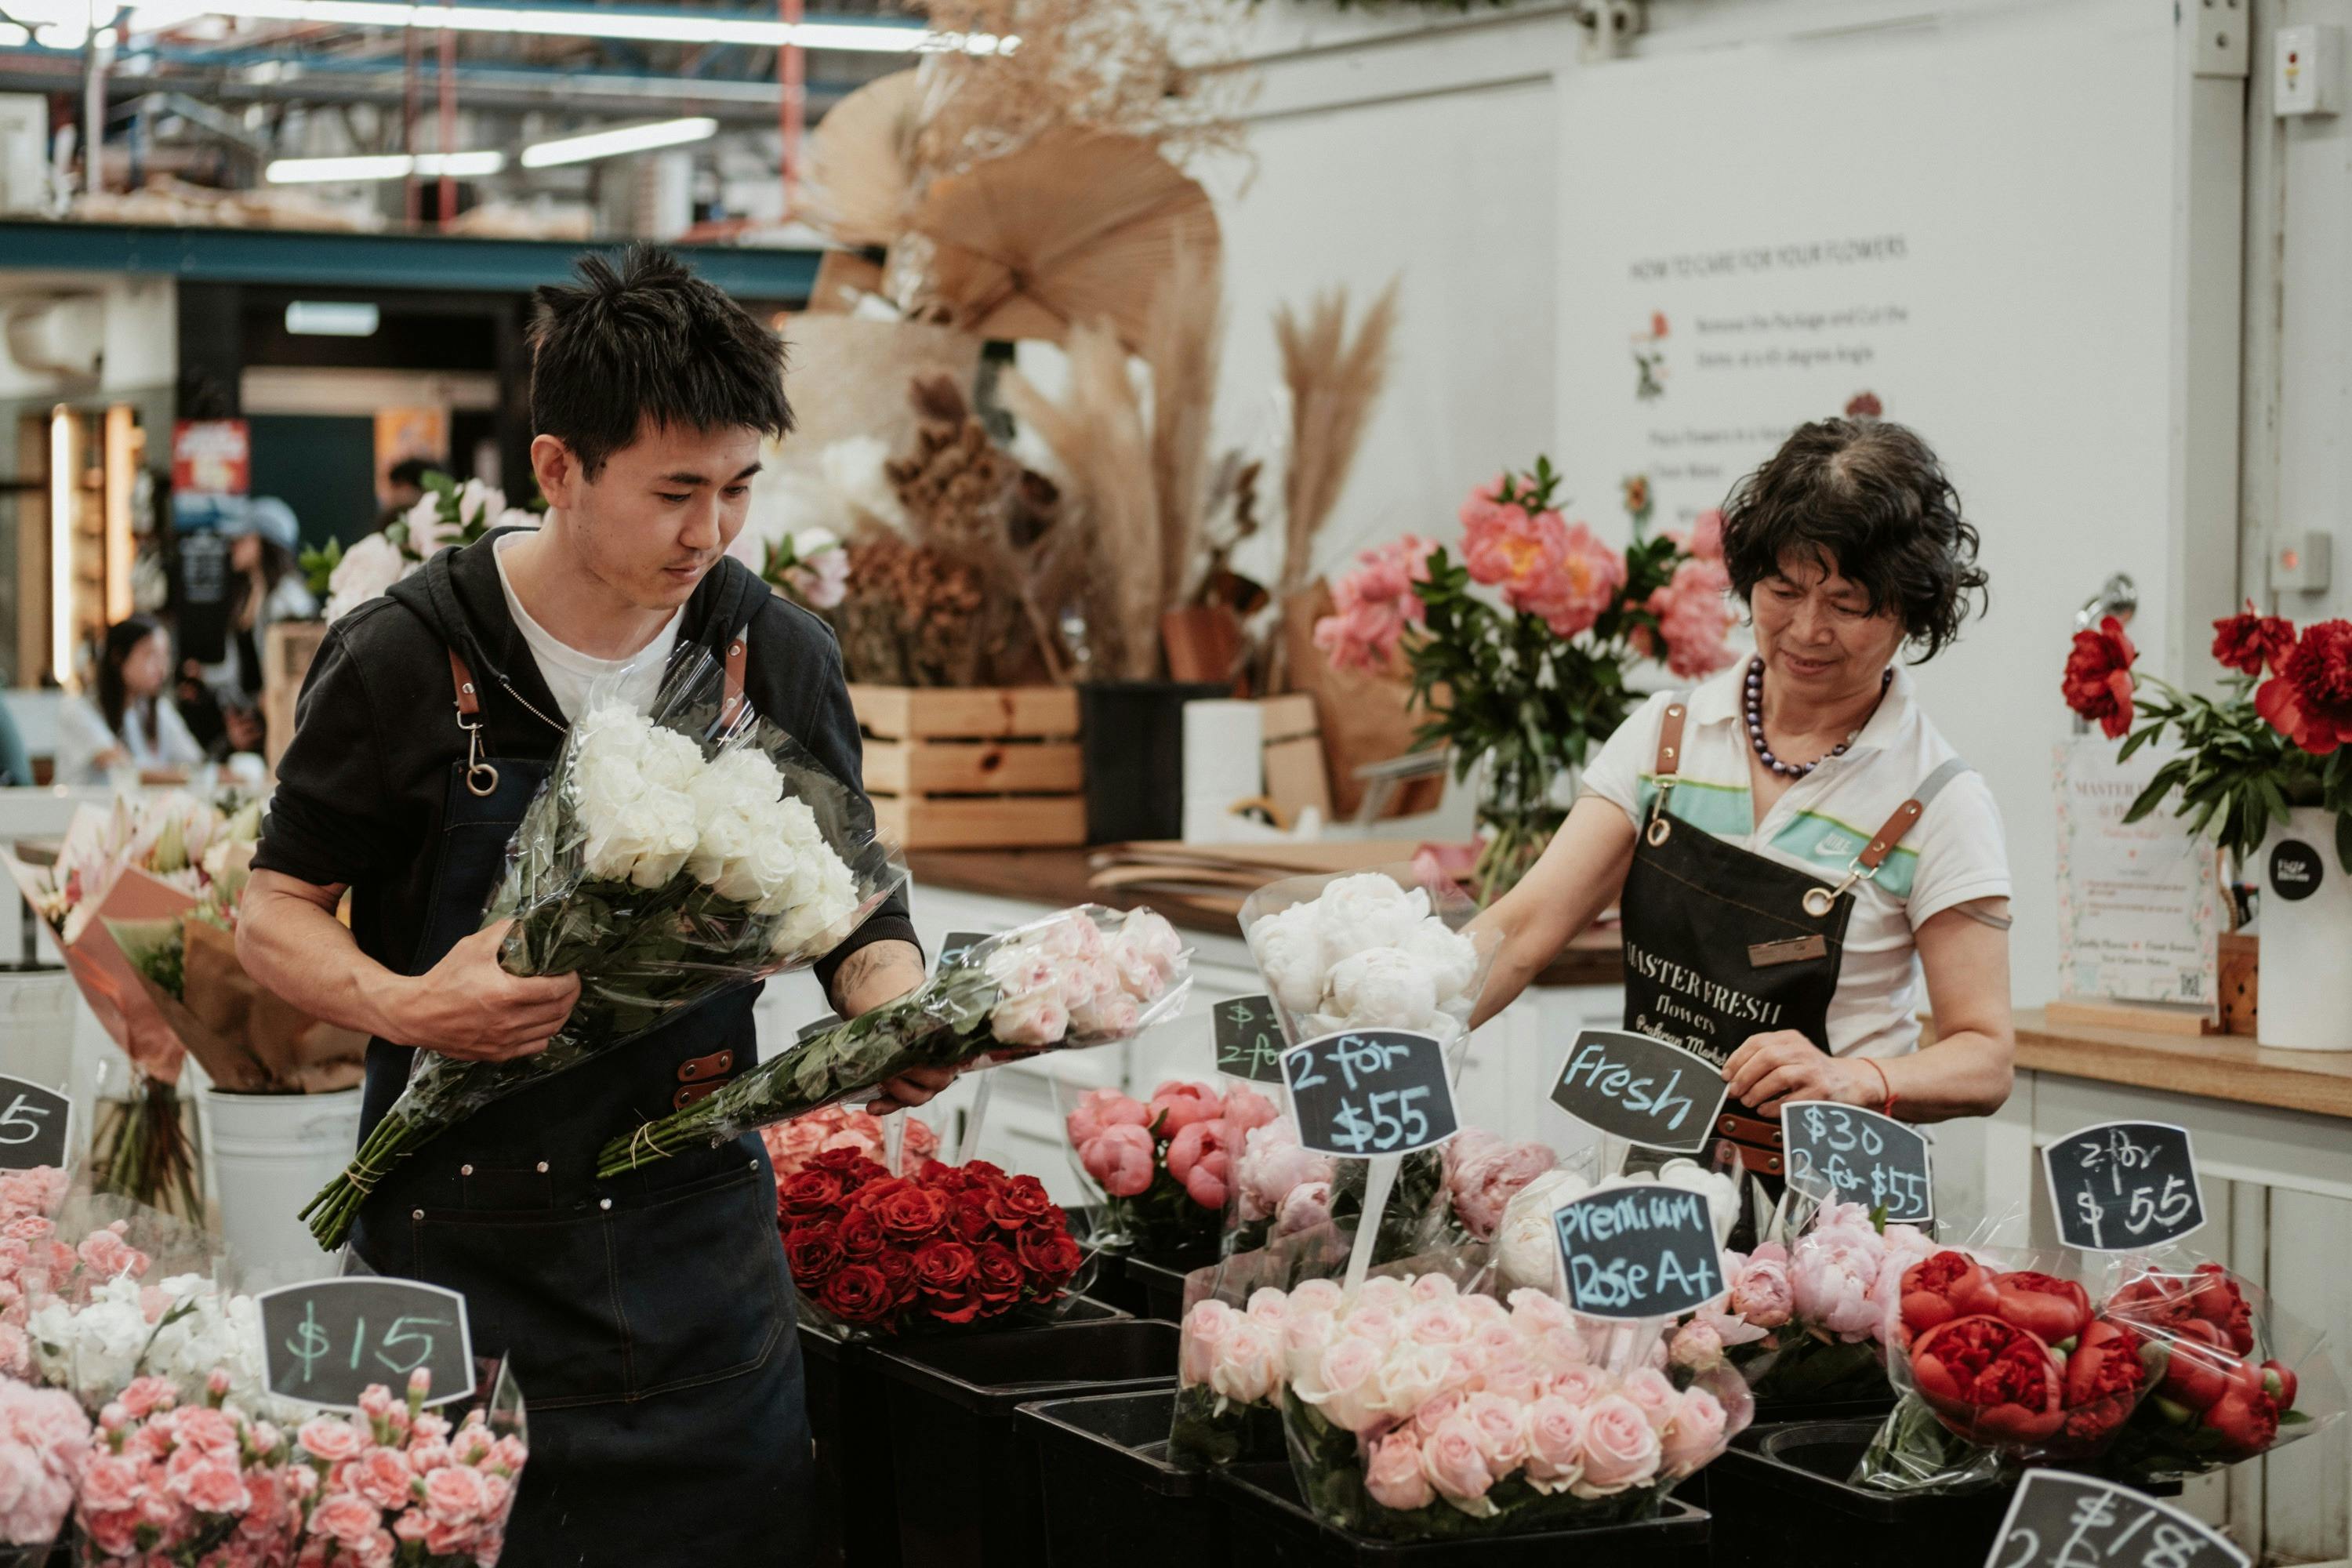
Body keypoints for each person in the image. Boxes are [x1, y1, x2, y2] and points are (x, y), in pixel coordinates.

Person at [236, 246, 950, 1564]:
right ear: (559, 469)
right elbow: (268, 908)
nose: (713, 532)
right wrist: (408, 1004)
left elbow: (859, 902)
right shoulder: (405, 655)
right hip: (457, 1276)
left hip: (703, 1294)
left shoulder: (774, 653)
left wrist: (892, 1014)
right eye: (676, 492)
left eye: (739, 489)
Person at [1470, 419, 2015, 1207]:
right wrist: (1392, 1019)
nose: (1806, 628)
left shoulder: (1937, 800)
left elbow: (1986, 1057)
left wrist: (1853, 1077)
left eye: (1847, 602)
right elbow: (1518, 934)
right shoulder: (1668, 737)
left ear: (1908, 610)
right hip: (1658, 1192)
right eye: (1784, 590)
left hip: (1839, 1228)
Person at [55, 615, 207, 785]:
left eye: (165, 656)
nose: (162, 667)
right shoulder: (78, 710)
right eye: (151, 655)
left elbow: (195, 761)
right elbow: (125, 771)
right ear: (118, 657)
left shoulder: (157, 709)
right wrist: (197, 779)